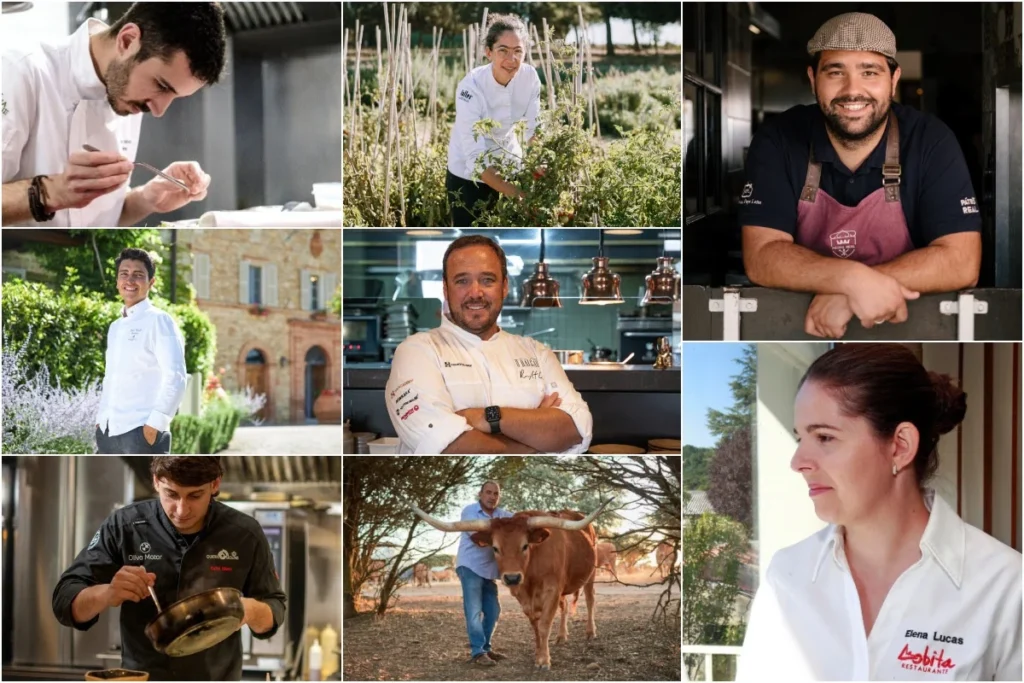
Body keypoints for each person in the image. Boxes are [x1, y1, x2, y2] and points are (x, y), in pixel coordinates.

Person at [737, 344, 1022, 681]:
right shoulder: (786, 576)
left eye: (825, 437)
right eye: (801, 438)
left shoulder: (1007, 587)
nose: (798, 462)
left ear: (900, 446)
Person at [738, 13, 982, 339]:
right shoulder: (778, 140)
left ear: (894, 79)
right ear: (813, 78)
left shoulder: (930, 141)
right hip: (800, 330)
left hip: (910, 328)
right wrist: (851, 280)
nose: (853, 91)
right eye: (836, 72)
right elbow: (761, 256)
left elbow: (962, 260)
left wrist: (850, 292)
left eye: (870, 72)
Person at [52, 456, 287, 681]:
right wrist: (107, 593)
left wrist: (248, 610)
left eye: (195, 495)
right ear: (156, 481)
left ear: (215, 484)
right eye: (171, 494)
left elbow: (274, 607)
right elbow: (64, 602)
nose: (181, 510)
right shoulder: (124, 526)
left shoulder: (245, 533)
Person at [2, 2, 225, 226]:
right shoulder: (21, 71)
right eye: (161, 85)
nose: (158, 110)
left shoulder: (128, 96)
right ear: (127, 41)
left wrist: (146, 198)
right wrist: (51, 192)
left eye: (174, 97)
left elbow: (100, 220)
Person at [385, 234, 593, 454]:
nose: (475, 293)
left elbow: (576, 429)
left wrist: (487, 417)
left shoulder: (537, 353)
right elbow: (441, 444)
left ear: (504, 286)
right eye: (462, 281)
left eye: (487, 280)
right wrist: (535, 442)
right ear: (445, 289)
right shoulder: (416, 351)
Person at [447, 13, 542, 226]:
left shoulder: (530, 78)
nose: (512, 59)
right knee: (472, 232)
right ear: (488, 52)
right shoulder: (470, 87)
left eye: (518, 51)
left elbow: (534, 130)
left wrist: (541, 160)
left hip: (509, 161)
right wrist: (520, 195)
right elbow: (476, 159)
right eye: (503, 51)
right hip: (467, 175)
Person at [95, 248, 187, 454]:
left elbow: (177, 377)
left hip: (141, 433)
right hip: (107, 433)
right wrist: (100, 421)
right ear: (117, 281)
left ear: (151, 282)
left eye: (138, 275)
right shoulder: (115, 326)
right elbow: (111, 378)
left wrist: (154, 425)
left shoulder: (159, 320)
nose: (130, 280)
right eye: (124, 274)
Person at [454, 480, 515, 667]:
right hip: (470, 566)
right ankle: (477, 652)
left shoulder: (502, 514)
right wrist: (505, 529)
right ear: (480, 494)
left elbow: (521, 519)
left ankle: (486, 649)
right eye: (488, 492)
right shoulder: (470, 511)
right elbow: (479, 536)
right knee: (473, 611)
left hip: (488, 570)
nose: (492, 497)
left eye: (496, 494)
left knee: (493, 610)